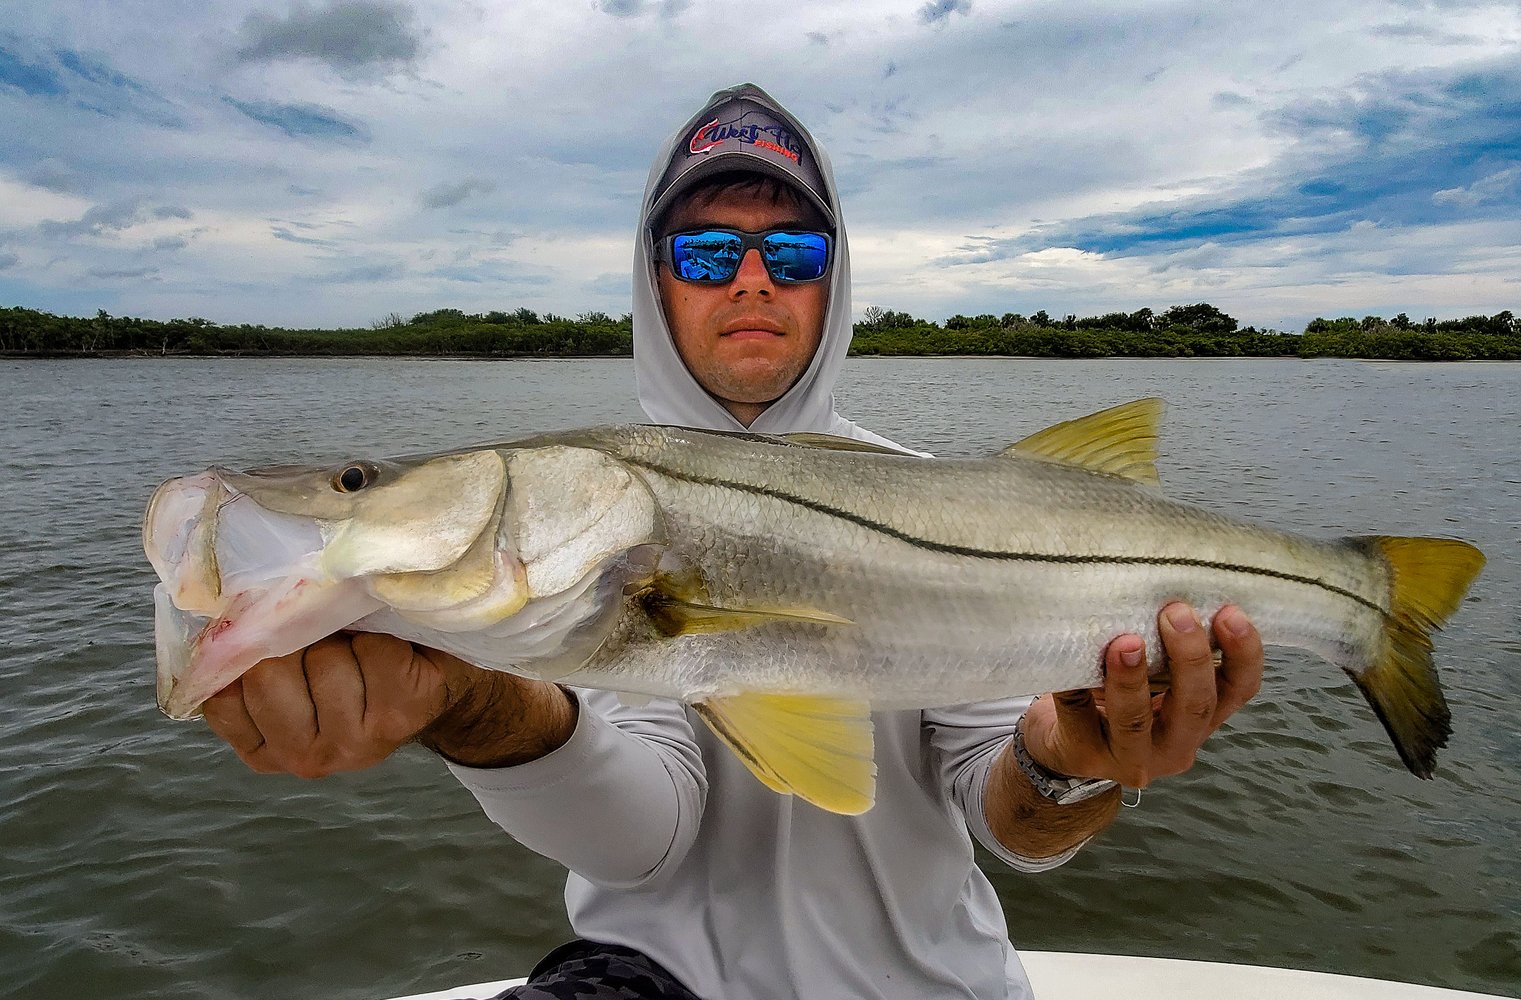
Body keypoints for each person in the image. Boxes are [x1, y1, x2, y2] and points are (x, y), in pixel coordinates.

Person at [203, 84, 1264, 999]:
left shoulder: (945, 500)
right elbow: (645, 836)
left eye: (790, 250)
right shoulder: (593, 531)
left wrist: (1072, 760)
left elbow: (1014, 826)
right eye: (707, 250)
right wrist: (465, 700)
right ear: (653, 280)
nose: (750, 278)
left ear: (832, 282)